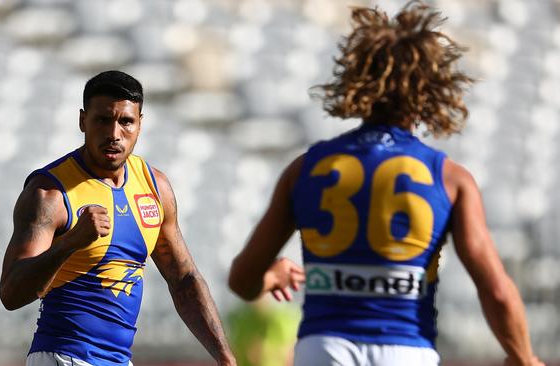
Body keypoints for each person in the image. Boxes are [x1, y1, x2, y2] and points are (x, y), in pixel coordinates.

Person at [228, 3, 543, 366]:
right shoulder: (450, 178)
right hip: (406, 350)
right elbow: (497, 291)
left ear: (356, 80)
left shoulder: (305, 169)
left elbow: (242, 280)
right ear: (430, 89)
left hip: (325, 348)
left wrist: (271, 277)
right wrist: (524, 357)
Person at [0, 70, 236, 366]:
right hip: (63, 356)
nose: (114, 134)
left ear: (139, 124)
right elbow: (11, 293)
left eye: (126, 121)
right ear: (83, 121)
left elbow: (184, 279)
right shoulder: (50, 193)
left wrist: (225, 357)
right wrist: (69, 243)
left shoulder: (155, 187)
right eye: (102, 120)